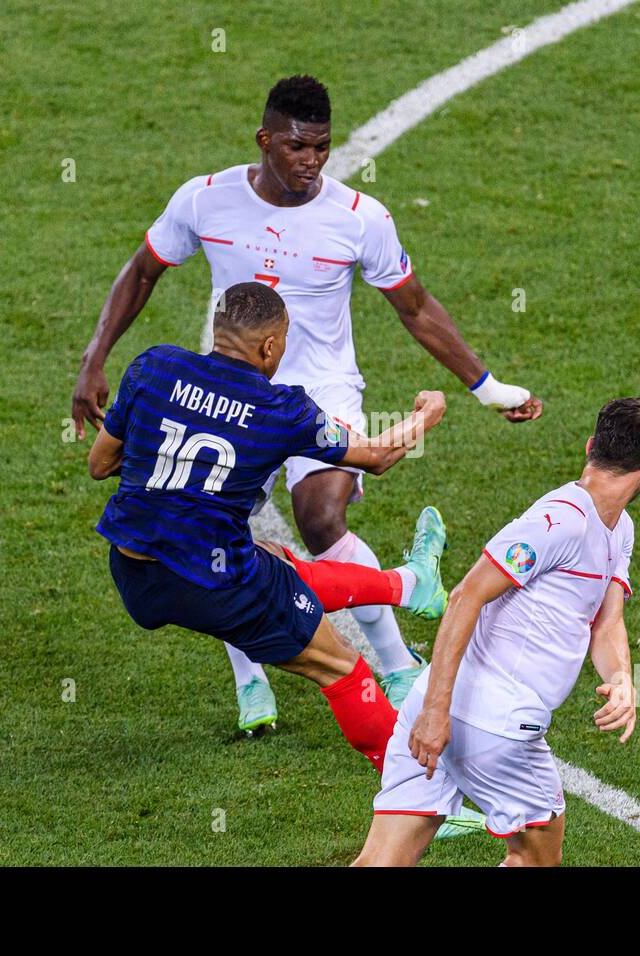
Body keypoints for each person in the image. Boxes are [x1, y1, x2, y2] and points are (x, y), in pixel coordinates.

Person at [72, 74, 543, 732]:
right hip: (228, 386)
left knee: (320, 516)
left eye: (322, 147)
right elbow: (142, 270)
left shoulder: (359, 219)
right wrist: (94, 360)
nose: (312, 161)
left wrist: (485, 386)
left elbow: (415, 307)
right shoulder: (205, 200)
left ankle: (396, 663)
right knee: (215, 526)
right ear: (265, 140)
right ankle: (251, 682)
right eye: (298, 147)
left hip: (319, 386)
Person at [88, 281, 445, 774]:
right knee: (342, 664)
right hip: (211, 583)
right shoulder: (281, 410)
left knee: (276, 561)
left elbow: (99, 464)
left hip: (133, 574)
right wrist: (427, 415)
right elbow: (378, 455)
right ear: (271, 346)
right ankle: (416, 798)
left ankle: (408, 584)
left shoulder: (154, 367)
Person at [353, 399, 640, 866]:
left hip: (440, 703)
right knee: (537, 859)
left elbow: (608, 621)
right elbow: (464, 596)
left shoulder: (620, 530)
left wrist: (621, 677)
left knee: (382, 861)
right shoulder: (560, 522)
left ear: (590, 447)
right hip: (492, 727)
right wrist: (437, 713)